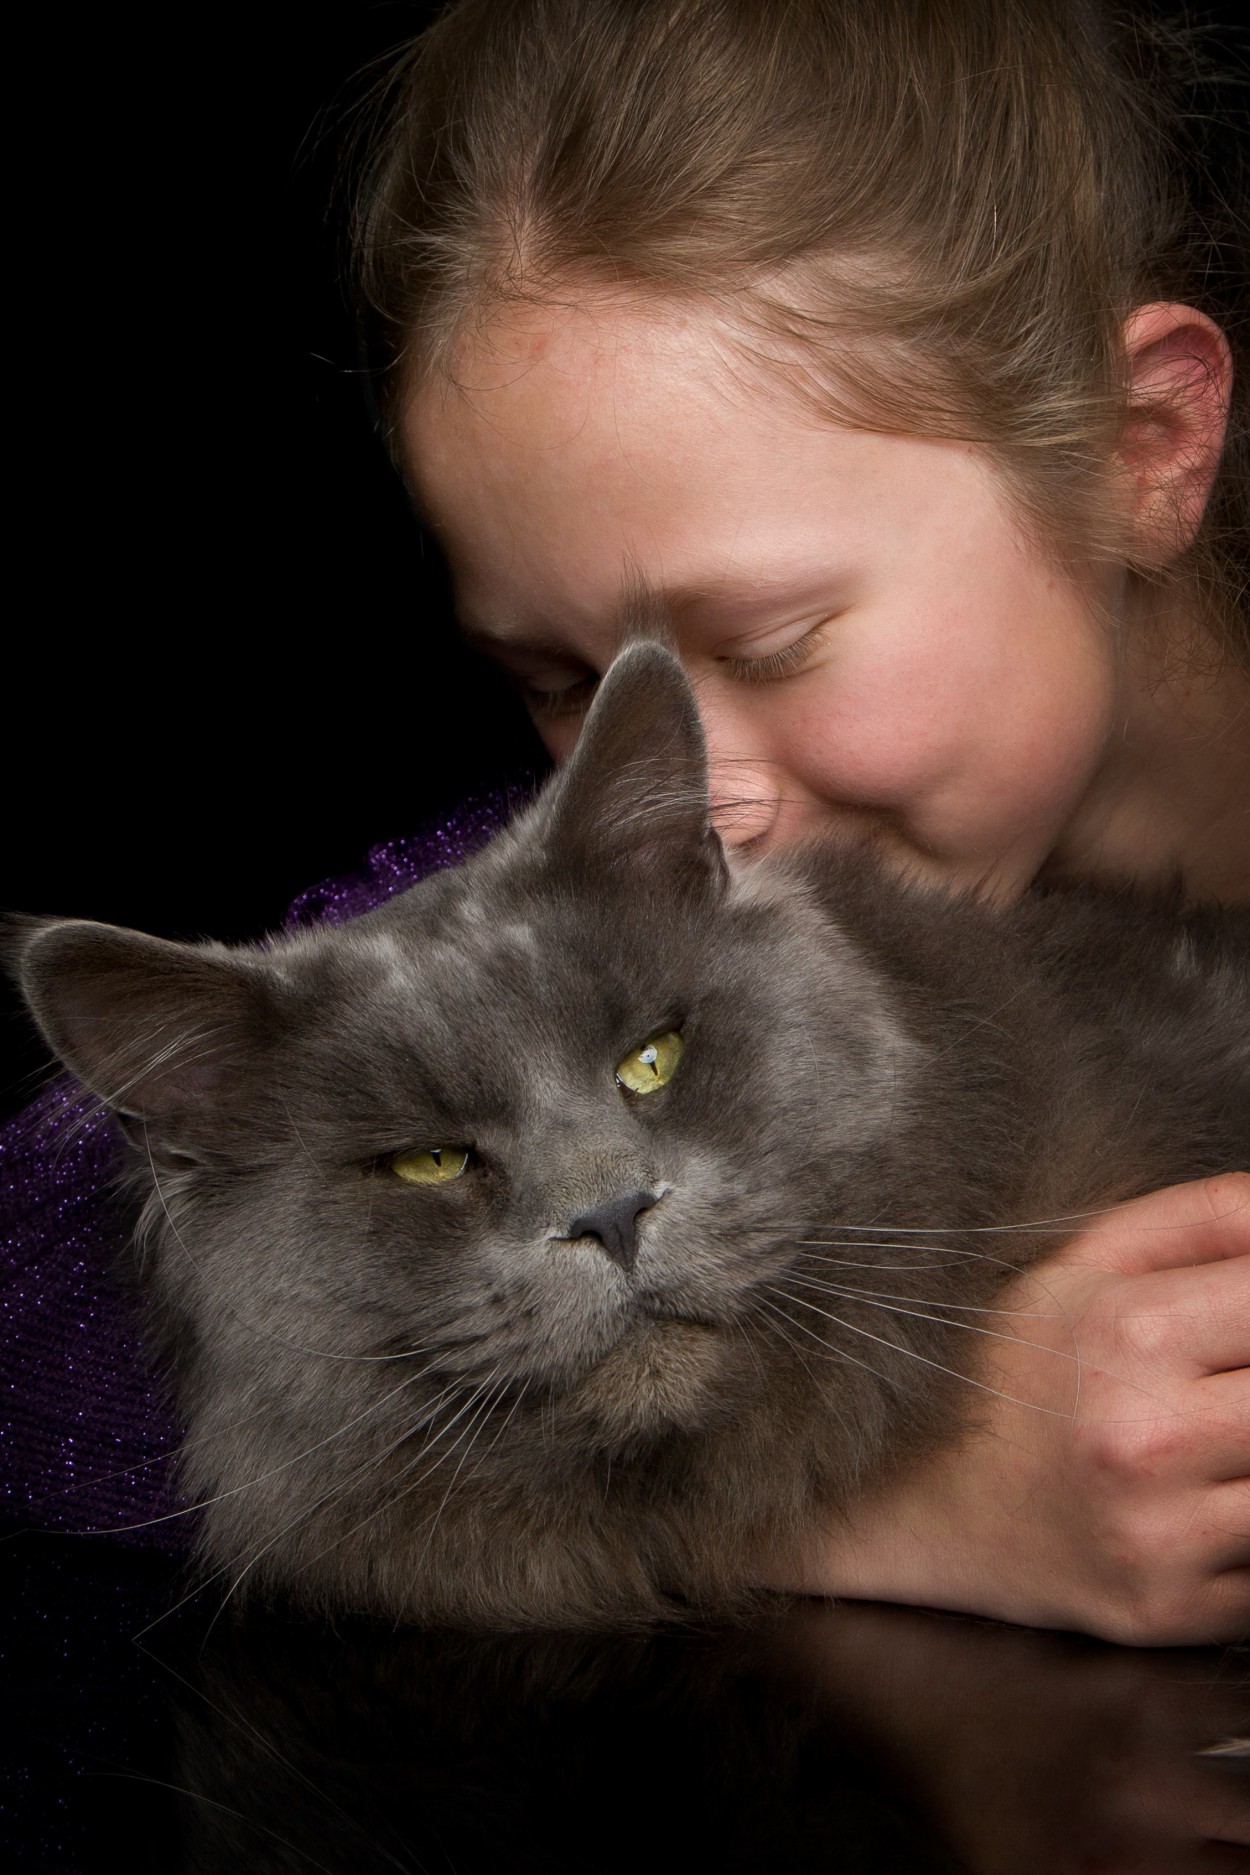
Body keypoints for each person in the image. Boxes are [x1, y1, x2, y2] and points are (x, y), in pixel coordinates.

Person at [347, 0, 1249, 1643]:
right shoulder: (626, 878)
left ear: (1142, 452)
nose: (691, 793)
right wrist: (906, 1489)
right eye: (560, 682)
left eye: (770, 644)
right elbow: (58, 1279)